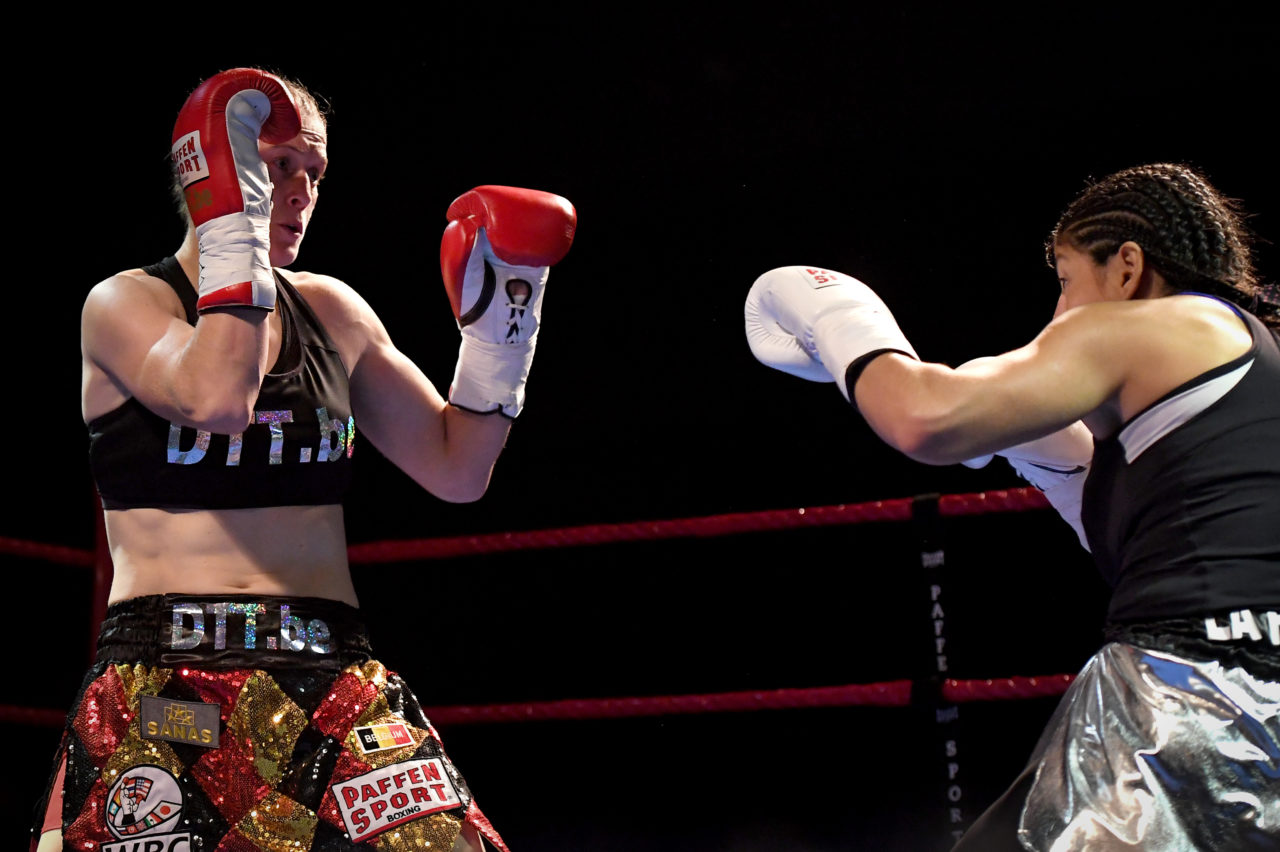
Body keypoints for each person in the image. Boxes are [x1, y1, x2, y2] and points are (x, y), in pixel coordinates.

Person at [33, 68, 575, 852]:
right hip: (168, 677)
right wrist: (236, 233)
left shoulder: (333, 311)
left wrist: (501, 339)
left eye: (314, 173)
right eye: (280, 165)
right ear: (214, 167)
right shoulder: (126, 304)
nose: (301, 192)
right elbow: (217, 396)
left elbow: (456, 469)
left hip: (331, 674)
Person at [744, 163, 1279, 850]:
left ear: (1127, 268)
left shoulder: (1157, 322)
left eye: (1066, 280)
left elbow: (924, 417)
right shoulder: (1246, 369)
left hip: (1196, 701)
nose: (1058, 313)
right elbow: (1197, 551)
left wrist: (837, 318)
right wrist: (1066, 471)